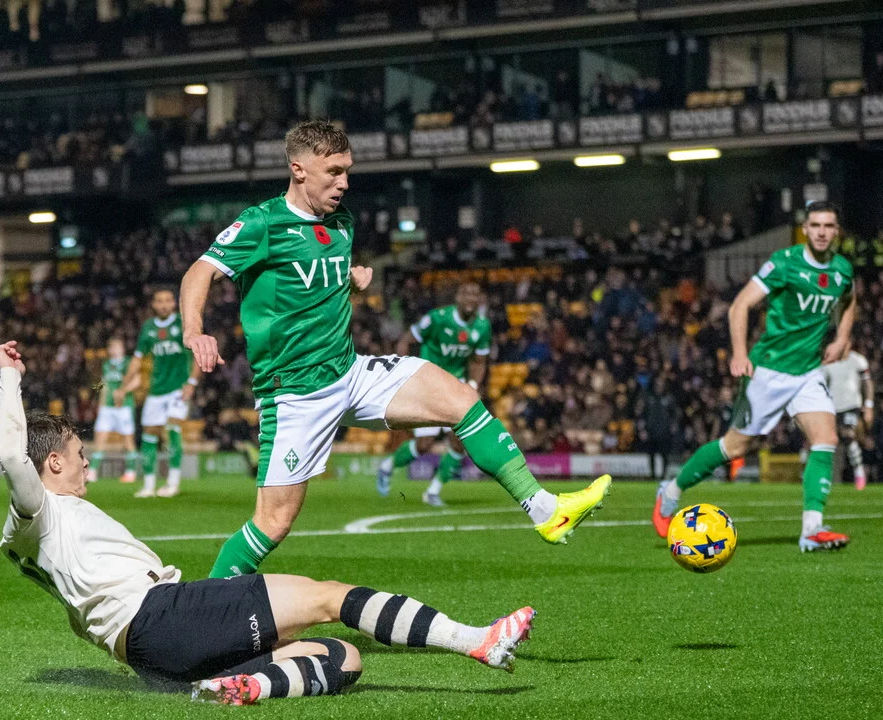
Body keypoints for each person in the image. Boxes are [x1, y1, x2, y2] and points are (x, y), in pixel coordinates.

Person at [0, 341, 534, 706]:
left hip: (151, 657)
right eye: (79, 455)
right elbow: (15, 457)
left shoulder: (28, 542)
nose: (88, 463)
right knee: (329, 597)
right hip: (163, 614)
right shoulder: (39, 510)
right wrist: (10, 377)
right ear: (52, 463)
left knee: (341, 659)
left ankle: (239, 687)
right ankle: (476, 640)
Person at [180, 120, 610, 579]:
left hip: (350, 372)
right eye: (333, 172)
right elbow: (199, 272)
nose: (344, 183)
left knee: (461, 400)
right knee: (273, 523)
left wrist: (349, 282)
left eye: (347, 171)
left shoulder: (340, 222)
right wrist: (194, 330)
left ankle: (545, 510)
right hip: (295, 393)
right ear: (298, 169)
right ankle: (203, 606)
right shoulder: (263, 223)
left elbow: (311, 282)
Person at [652, 201, 856, 552]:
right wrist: (739, 353)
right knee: (734, 447)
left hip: (807, 372)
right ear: (805, 229)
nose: (822, 232)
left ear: (836, 231)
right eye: (816, 225)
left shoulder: (842, 270)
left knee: (826, 438)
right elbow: (740, 305)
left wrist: (841, 338)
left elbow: (849, 300)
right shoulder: (784, 263)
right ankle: (671, 490)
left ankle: (812, 530)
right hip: (769, 372)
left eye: (828, 226)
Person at [377, 282, 492, 507]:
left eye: (475, 294)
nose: (470, 298)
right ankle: (387, 466)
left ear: (480, 300)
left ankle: (433, 491)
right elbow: (406, 341)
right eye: (466, 293)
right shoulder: (437, 318)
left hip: (455, 387)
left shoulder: (482, 326)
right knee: (424, 444)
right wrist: (401, 373)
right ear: (457, 297)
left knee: (459, 442)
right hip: (428, 384)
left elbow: (479, 361)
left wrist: (473, 384)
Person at [121, 289, 198, 498]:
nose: (164, 304)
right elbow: (137, 358)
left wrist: (192, 382)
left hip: (178, 389)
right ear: (154, 305)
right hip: (156, 390)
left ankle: (173, 483)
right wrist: (123, 385)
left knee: (172, 427)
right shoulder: (148, 327)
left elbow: (197, 353)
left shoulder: (183, 324)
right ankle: (149, 485)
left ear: (174, 303)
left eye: (167, 300)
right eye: (159, 301)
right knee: (149, 434)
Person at [88, 337, 139, 484]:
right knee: (100, 437)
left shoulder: (128, 363)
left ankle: (130, 472)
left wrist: (123, 391)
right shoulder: (107, 365)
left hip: (124, 407)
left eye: (116, 347)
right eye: (111, 347)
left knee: (128, 440)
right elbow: (104, 385)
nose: (113, 350)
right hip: (107, 407)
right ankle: (92, 471)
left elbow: (137, 381)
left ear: (122, 349)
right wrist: (100, 404)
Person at [821, 350, 874, 490]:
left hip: (852, 405)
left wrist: (869, 405)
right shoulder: (828, 361)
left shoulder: (857, 360)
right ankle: (827, 476)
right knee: (828, 440)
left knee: (848, 434)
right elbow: (821, 383)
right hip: (833, 406)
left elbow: (867, 382)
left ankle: (858, 470)